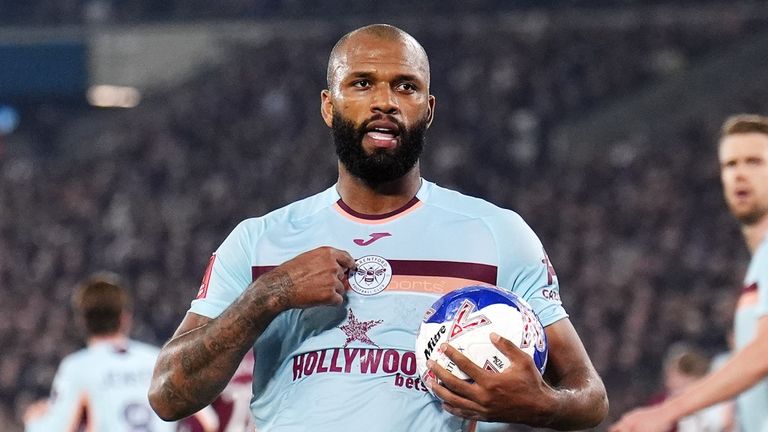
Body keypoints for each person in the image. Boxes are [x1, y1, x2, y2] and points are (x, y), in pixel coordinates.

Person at [148, 24, 608, 431]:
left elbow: (589, 398)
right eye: (362, 83)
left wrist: (540, 404)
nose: (385, 101)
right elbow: (169, 395)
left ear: (428, 109)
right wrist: (270, 294)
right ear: (330, 106)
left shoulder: (497, 234)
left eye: (405, 87)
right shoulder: (258, 240)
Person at [611, 113, 768, 432]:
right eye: (730, 164)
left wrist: (668, 410)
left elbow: (764, 353)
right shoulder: (759, 261)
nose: (739, 174)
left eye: (754, 161)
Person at [22, 274, 218, 432]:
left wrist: (33, 421)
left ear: (82, 321)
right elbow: (208, 423)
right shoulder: (157, 359)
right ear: (125, 317)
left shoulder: (78, 368)